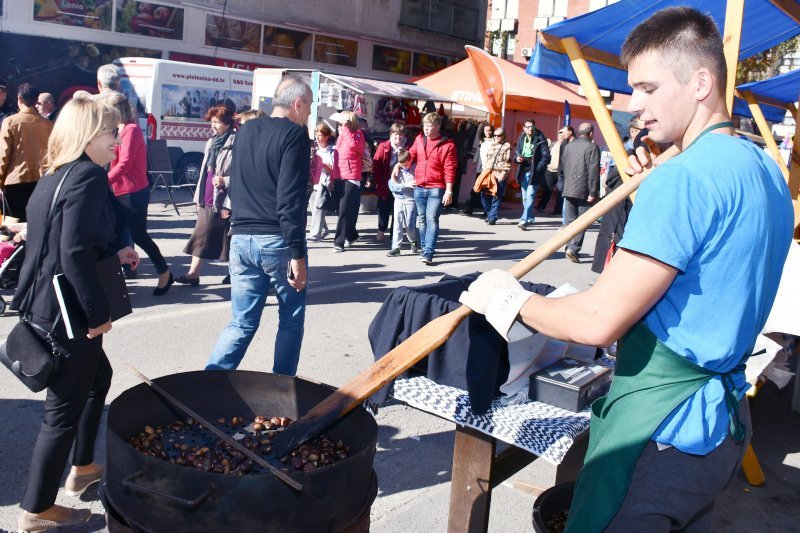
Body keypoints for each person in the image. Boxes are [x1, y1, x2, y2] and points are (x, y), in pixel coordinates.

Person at [458, 7, 793, 532]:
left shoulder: (684, 179)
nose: (634, 105)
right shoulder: (766, 170)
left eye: (648, 88)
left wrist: (511, 299)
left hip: (661, 431)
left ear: (702, 81)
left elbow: (597, 320)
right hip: (720, 431)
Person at [10, 94, 139, 532]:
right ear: (88, 134)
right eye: (111, 133)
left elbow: (59, 242)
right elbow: (72, 252)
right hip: (69, 316)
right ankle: (37, 508)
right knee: (60, 414)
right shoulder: (86, 177)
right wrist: (96, 313)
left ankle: (83, 465)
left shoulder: (55, 176)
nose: (117, 141)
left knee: (97, 379)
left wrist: (114, 251)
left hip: (45, 307)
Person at [205, 74, 311, 376]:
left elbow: (238, 181)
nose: (308, 115)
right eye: (309, 107)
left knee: (241, 322)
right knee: (290, 320)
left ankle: (203, 389)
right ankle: (281, 393)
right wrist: (298, 254)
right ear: (298, 104)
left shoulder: (247, 129)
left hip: (241, 236)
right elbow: (290, 199)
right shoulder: (294, 135)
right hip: (277, 240)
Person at [102, 91, 174, 295]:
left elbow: (125, 163)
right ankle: (112, 283)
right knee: (114, 238)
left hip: (133, 192)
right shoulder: (120, 129)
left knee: (139, 236)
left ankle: (165, 273)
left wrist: (104, 180)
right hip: (119, 191)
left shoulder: (131, 129)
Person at [175, 106, 235, 286]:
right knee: (203, 231)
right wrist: (197, 196)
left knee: (228, 236)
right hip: (208, 193)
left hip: (225, 195)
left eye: (217, 122)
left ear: (226, 123)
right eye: (212, 122)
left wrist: (226, 180)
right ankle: (194, 273)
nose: (213, 126)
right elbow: (203, 170)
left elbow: (243, 171)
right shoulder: (212, 141)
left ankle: (232, 272)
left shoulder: (235, 141)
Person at [0, 83, 54, 222]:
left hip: (15, 181)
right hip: (41, 181)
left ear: (19, 99)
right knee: (37, 222)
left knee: (16, 225)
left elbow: (3, 155)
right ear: (36, 101)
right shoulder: (48, 124)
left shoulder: (10, 122)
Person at [408, 112, 456, 265]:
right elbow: (410, 156)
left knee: (431, 218)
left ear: (437, 127)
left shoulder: (448, 145)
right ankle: (424, 248)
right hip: (420, 185)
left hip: (437, 187)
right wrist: (398, 164)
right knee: (422, 219)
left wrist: (449, 191)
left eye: (429, 126)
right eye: (424, 125)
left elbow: (450, 168)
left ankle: (429, 251)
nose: (426, 129)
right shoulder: (419, 139)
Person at [559, 122, 600, 262]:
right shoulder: (592, 147)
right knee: (582, 221)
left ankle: (568, 246)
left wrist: (563, 184)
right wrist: (593, 191)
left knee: (570, 221)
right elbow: (593, 171)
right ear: (591, 133)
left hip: (569, 188)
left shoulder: (569, 146)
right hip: (584, 189)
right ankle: (574, 248)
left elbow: (562, 167)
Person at [330, 111, 365, 253]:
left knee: (344, 210)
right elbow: (337, 157)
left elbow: (354, 146)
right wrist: (333, 177)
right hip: (340, 175)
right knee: (341, 210)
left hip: (351, 176)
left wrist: (345, 130)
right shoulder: (341, 135)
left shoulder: (357, 134)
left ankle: (339, 242)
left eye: (343, 122)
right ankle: (351, 235)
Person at [371, 122, 407, 243]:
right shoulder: (383, 146)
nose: (398, 138)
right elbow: (376, 164)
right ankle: (381, 229)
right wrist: (379, 181)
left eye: (401, 135)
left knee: (398, 211)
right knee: (383, 209)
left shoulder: (407, 148)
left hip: (401, 184)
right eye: (395, 135)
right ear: (391, 134)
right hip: (385, 182)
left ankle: (394, 235)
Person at [514, 118, 550, 229]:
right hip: (523, 171)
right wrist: (517, 159)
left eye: (532, 126)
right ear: (524, 128)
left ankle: (523, 220)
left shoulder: (540, 138)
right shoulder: (521, 138)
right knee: (525, 198)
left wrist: (538, 168)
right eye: (528, 127)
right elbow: (516, 152)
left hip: (534, 172)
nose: (530, 129)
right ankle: (530, 217)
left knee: (530, 196)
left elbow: (546, 157)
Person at [308, 122, 338, 241]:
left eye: (320, 135)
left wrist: (324, 166)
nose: (317, 137)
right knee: (313, 208)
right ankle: (324, 229)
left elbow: (335, 169)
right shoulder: (313, 149)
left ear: (326, 136)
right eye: (316, 134)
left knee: (318, 208)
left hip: (323, 183)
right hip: (312, 183)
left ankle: (315, 235)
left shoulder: (333, 151)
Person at [386, 149, 418, 256]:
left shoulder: (416, 169)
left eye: (406, 164)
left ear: (411, 160)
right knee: (397, 225)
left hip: (411, 202)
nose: (404, 167)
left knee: (410, 226)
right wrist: (404, 185)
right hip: (399, 200)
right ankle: (396, 247)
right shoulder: (397, 169)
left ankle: (413, 241)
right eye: (402, 165)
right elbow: (391, 185)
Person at [479, 128, 512, 226]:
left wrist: (504, 173)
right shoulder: (492, 145)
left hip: (499, 174)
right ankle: (490, 214)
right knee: (484, 194)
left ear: (504, 135)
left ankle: (492, 217)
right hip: (489, 173)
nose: (497, 137)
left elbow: (508, 161)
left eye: (499, 135)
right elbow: (488, 159)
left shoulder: (507, 146)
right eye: (495, 135)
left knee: (496, 196)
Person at [465, 123, 494, 217]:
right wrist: (475, 161)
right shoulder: (482, 142)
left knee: (487, 191)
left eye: (490, 130)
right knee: (476, 189)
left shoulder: (494, 142)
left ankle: (487, 211)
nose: (488, 132)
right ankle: (469, 209)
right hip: (480, 169)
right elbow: (478, 152)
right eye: (486, 131)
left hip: (489, 169)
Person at [539, 126, 569, 213]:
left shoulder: (567, 146)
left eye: (563, 135)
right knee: (547, 189)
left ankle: (558, 210)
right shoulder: (553, 144)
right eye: (560, 135)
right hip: (550, 170)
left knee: (560, 191)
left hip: (560, 172)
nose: (561, 136)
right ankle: (541, 206)